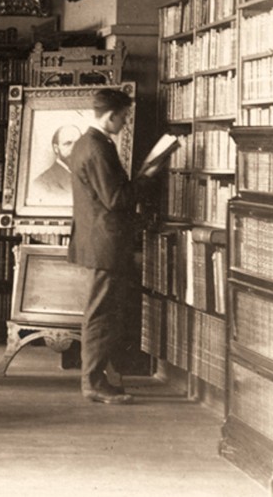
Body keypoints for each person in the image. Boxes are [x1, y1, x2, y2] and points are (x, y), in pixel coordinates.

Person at [67, 88, 165, 405]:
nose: (124, 122)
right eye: (123, 116)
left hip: (99, 242)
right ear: (111, 115)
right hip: (104, 244)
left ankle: (96, 380)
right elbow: (117, 199)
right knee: (100, 315)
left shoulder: (87, 143)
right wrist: (147, 176)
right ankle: (93, 383)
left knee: (102, 313)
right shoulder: (97, 148)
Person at [30, 124, 81, 202]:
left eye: (78, 143)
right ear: (56, 149)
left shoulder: (90, 175)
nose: (75, 148)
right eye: (68, 143)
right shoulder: (41, 183)